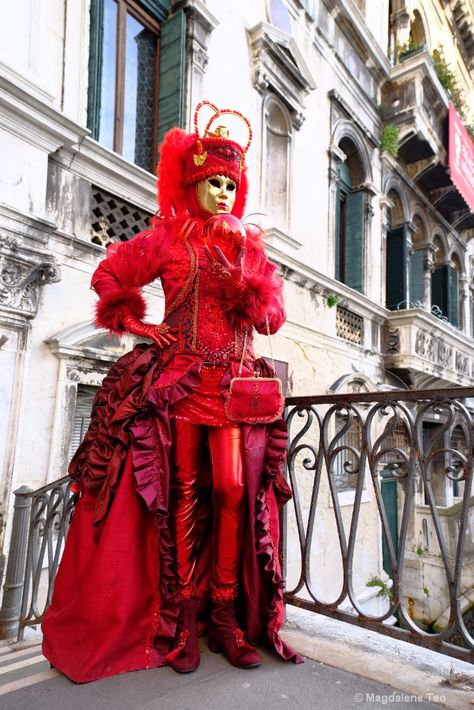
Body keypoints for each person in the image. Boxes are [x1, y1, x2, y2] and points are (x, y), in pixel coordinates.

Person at [42, 101, 303, 682]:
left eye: (229, 185)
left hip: (235, 388)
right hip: (182, 384)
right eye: (212, 183)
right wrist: (141, 326)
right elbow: (108, 277)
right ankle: (182, 619)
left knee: (233, 490)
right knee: (184, 491)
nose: (221, 193)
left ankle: (227, 615)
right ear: (192, 183)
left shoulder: (245, 244)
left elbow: (274, 320)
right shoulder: (164, 239)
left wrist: (252, 294)